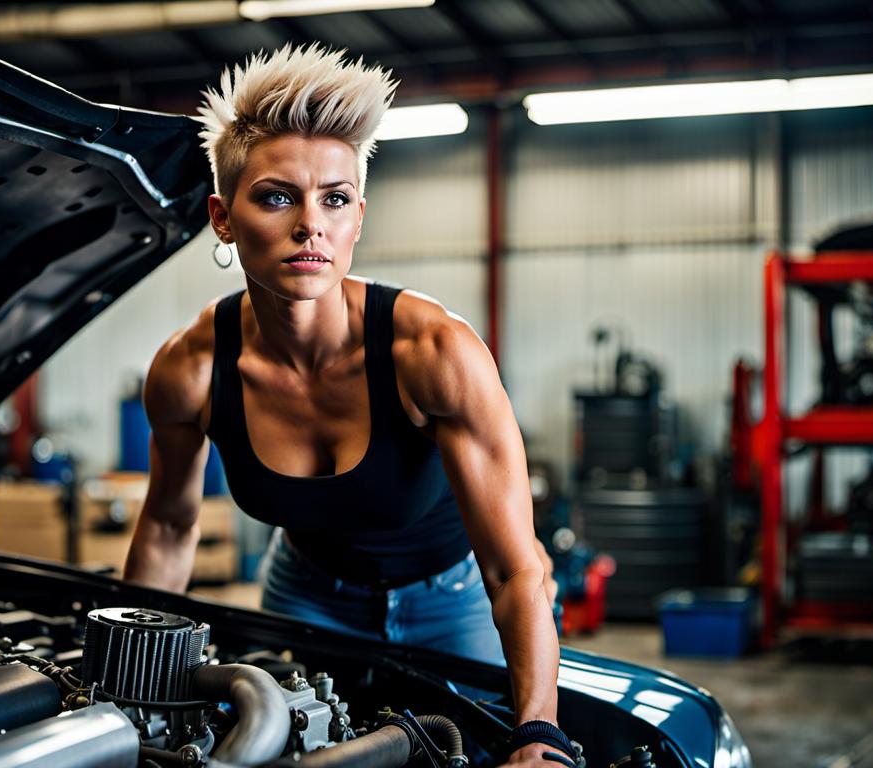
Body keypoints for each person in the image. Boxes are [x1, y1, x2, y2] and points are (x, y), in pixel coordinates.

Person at [124, 45, 574, 767]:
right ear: (222, 216)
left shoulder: (432, 354)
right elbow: (171, 530)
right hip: (306, 595)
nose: (311, 225)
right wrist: (126, 682)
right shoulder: (192, 370)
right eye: (277, 197)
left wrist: (539, 732)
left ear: (358, 218)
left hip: (452, 599)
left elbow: (516, 568)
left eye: (334, 199)